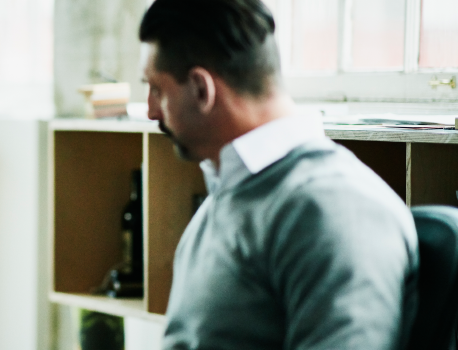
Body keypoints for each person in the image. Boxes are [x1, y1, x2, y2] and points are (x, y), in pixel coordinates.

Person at [138, 0, 417, 349]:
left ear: (201, 89)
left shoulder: (336, 209)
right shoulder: (230, 191)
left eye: (157, 90)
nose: (150, 111)